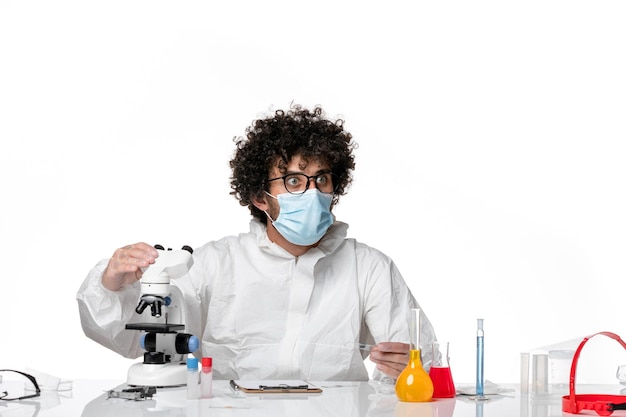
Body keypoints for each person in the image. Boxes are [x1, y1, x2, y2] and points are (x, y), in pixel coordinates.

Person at [76, 104, 436, 381]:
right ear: (261, 198)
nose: (312, 193)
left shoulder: (368, 267)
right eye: (294, 182)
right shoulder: (215, 263)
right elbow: (134, 342)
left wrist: (411, 367)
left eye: (321, 179)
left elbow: (422, 363)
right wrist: (110, 287)